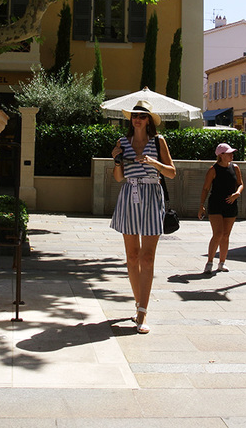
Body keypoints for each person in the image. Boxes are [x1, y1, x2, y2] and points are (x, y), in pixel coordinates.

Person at [110, 99, 176, 334]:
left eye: (142, 115)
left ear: (149, 120)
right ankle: (139, 304)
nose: (137, 119)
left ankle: (142, 312)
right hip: (129, 195)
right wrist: (116, 159)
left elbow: (172, 172)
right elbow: (118, 178)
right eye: (134, 115)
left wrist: (153, 162)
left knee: (147, 258)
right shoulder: (122, 142)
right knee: (132, 256)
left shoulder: (158, 141)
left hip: (151, 195)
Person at [198, 142, 244, 274]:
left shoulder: (235, 168)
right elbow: (206, 188)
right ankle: (209, 262)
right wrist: (201, 206)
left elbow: (240, 184)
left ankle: (222, 263)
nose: (232, 155)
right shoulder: (213, 170)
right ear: (221, 155)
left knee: (226, 235)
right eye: (229, 153)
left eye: (232, 153)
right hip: (216, 204)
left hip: (231, 203)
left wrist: (237, 193)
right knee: (217, 233)